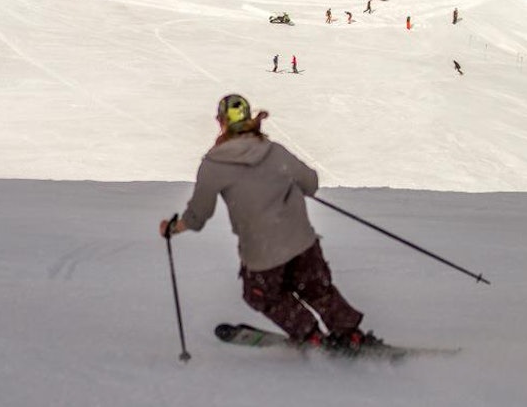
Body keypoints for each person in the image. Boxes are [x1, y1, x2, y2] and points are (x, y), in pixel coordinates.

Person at [159, 94, 380, 350]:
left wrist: (173, 228)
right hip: (303, 242)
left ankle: (311, 335)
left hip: (261, 254)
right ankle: (350, 334)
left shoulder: (214, 165)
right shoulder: (274, 151)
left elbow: (198, 216)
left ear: (221, 122)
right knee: (318, 289)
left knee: (262, 296)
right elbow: (310, 183)